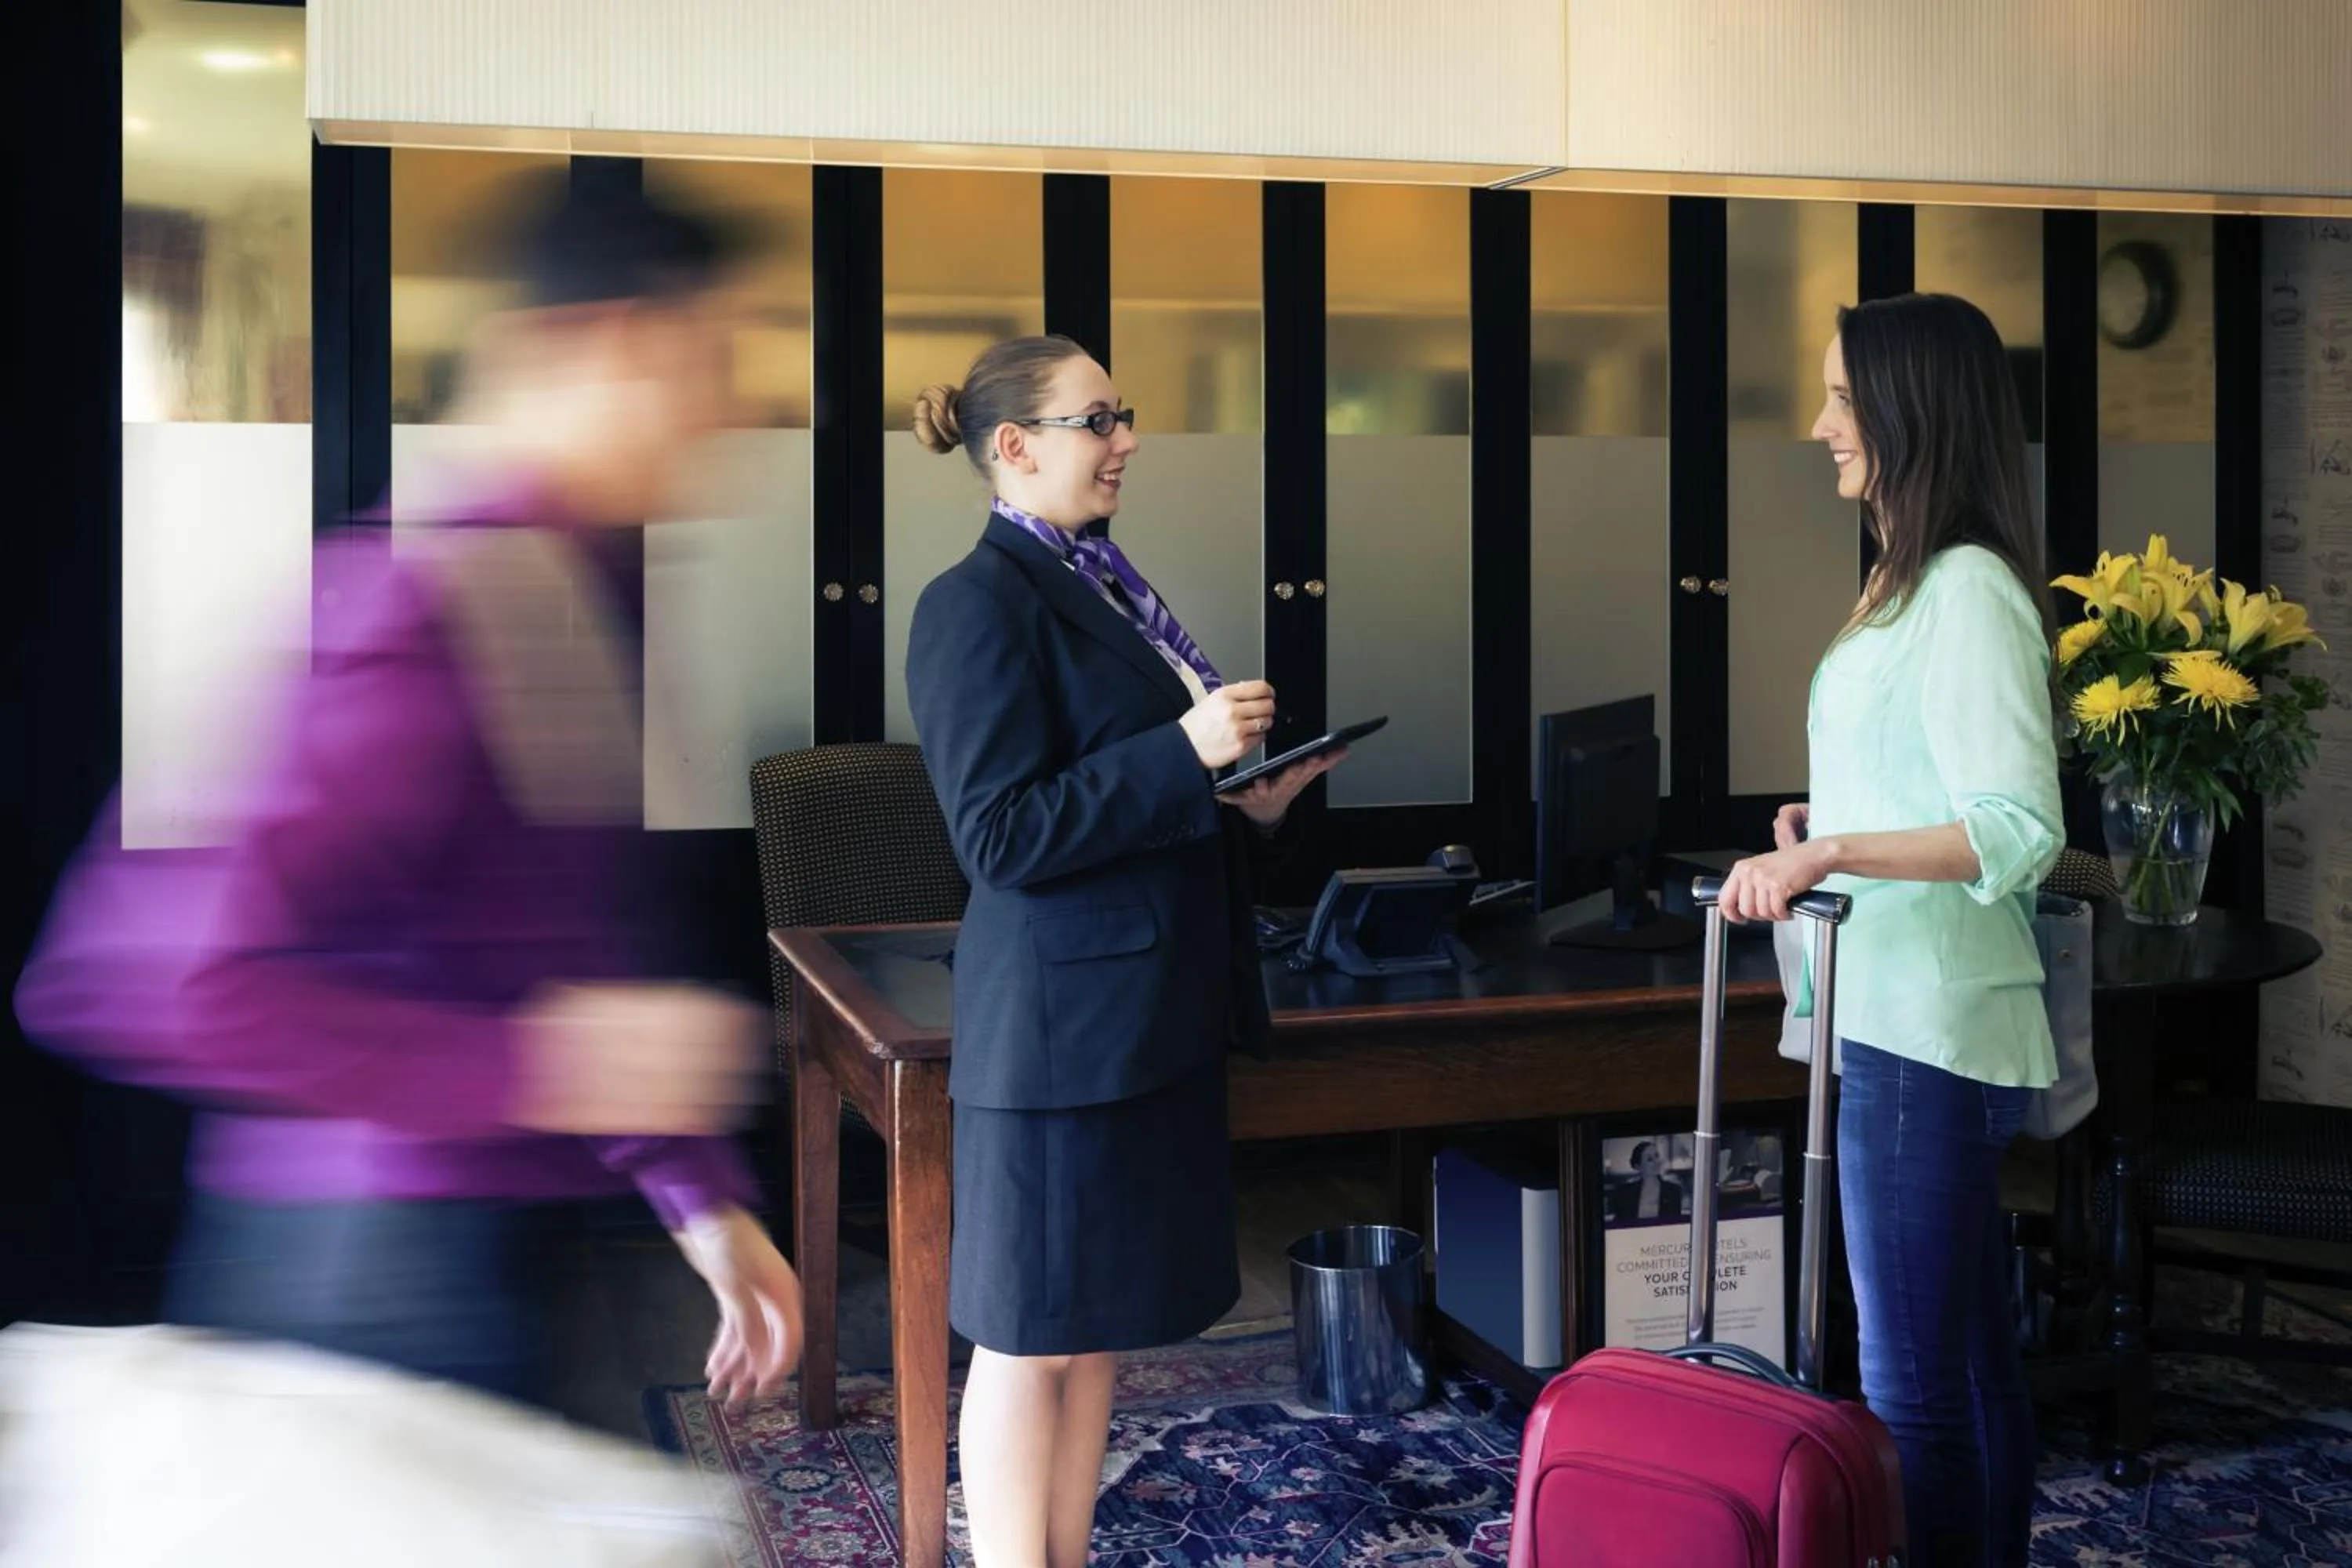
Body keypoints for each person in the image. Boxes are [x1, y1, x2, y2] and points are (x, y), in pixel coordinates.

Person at [15, 174, 800, 1421]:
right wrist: (533, 1065)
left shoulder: (588, 586)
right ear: (590, 345)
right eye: (705, 358)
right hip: (358, 1262)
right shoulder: (417, 604)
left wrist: (701, 1201)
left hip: (481, 1243)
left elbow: (579, 966)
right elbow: (136, 974)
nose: (736, 406)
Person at [903, 336, 1341, 1568]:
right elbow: (1001, 836)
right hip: (1057, 1035)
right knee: (1028, 1332)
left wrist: (1239, 802)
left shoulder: (1101, 581)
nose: (1126, 441)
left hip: (1143, 1014)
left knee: (1090, 1330)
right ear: (1015, 447)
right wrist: (1185, 754)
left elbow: (1128, 804)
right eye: (1099, 420)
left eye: (1123, 415)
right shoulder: (973, 603)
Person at [1714, 292, 2060, 1568]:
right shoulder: (1905, 581)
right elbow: (1932, 782)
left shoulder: (1966, 591)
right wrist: (1838, 814)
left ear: (1915, 413)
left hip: (1929, 1038)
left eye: (1843, 401)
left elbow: (2017, 826)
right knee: (1968, 1370)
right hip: (1899, 1020)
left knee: (1915, 1393)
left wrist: (1833, 848)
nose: (1820, 427)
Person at [1606, 1140, 1685, 1222]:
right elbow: (1620, 1224)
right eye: (1649, 1159)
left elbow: (1676, 1224)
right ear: (1638, 1166)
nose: (1657, 1162)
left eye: (1657, 1156)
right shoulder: (1625, 1193)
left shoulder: (1673, 1191)